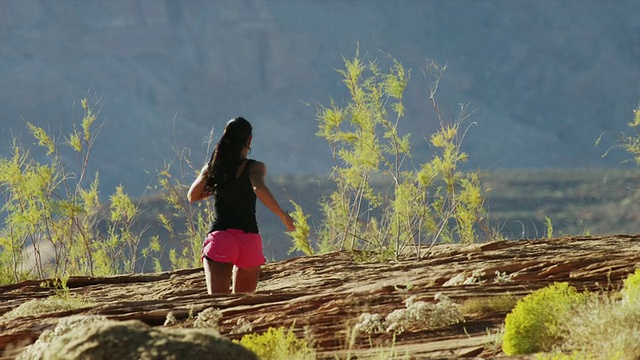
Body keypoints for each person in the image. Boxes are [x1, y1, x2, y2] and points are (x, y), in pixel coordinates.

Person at [187, 117, 295, 294]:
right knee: (244, 305)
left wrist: (214, 188)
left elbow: (192, 196)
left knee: (218, 304)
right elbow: (259, 188)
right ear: (249, 140)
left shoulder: (213, 167)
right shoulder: (255, 167)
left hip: (222, 239)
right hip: (249, 240)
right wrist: (282, 215)